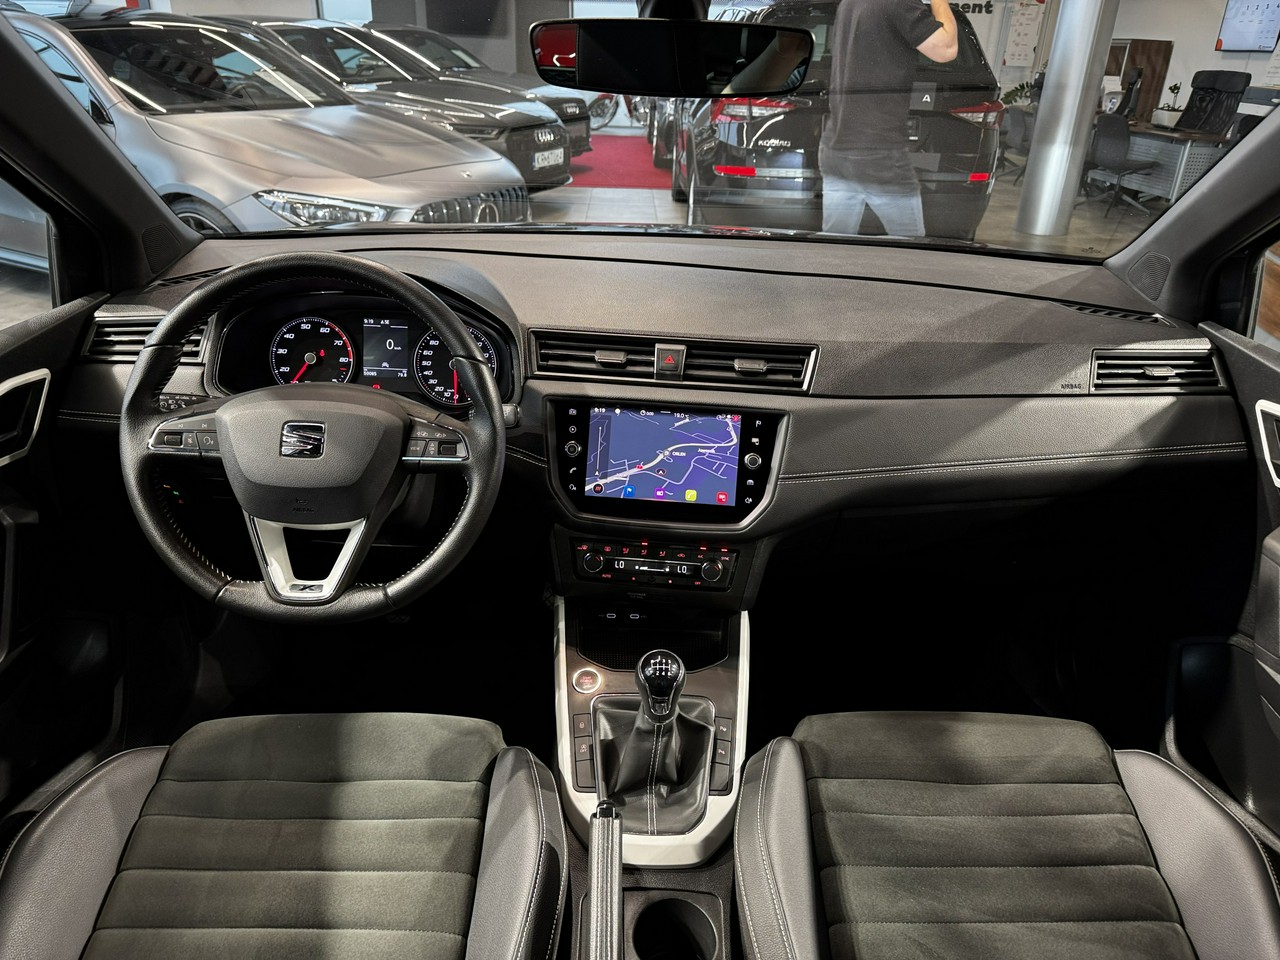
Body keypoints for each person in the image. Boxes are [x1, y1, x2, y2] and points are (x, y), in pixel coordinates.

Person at [819, 0, 958, 236]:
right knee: (908, 245)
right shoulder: (899, 2)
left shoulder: (850, 2)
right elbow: (946, 49)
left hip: (836, 149)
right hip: (878, 153)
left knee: (835, 244)